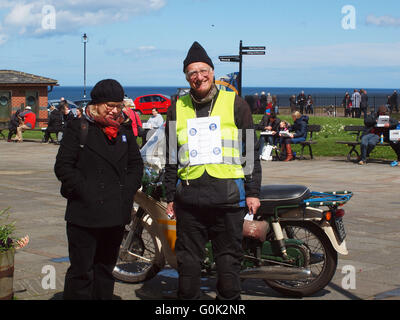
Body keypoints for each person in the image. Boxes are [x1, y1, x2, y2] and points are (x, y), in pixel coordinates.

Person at [163, 41, 261, 300]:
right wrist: (169, 195)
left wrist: (253, 192)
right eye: (192, 73)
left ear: (213, 72)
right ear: (186, 77)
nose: (199, 77)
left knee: (228, 262)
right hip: (190, 199)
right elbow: (171, 156)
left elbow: (250, 150)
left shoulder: (236, 103)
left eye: (203, 70)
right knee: (188, 262)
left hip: (228, 198)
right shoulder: (177, 108)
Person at [54, 79, 144, 300]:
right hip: (84, 213)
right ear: (96, 105)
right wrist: (86, 191)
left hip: (115, 213)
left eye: (119, 106)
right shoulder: (79, 127)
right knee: (81, 271)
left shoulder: (124, 130)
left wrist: (126, 191)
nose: (115, 111)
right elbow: (63, 166)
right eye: (109, 106)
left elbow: (136, 165)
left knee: (105, 270)